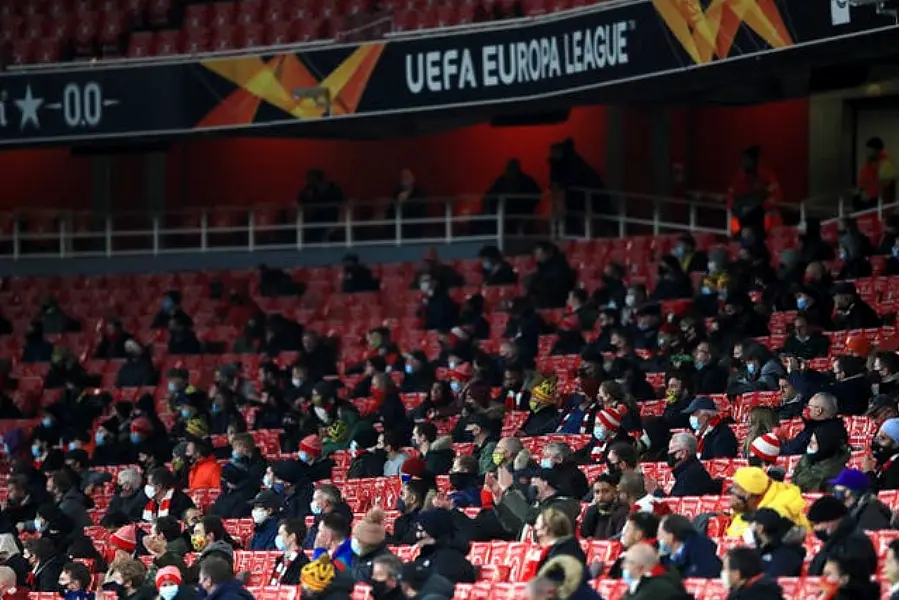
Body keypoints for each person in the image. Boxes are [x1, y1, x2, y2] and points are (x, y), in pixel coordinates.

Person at [805, 495, 877, 578]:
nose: (815, 528)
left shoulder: (855, 543)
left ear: (832, 520)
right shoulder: (836, 539)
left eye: (817, 524)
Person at [726, 467, 809, 538]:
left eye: (736, 488)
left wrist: (740, 511)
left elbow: (741, 537)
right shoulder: (768, 493)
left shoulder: (776, 512)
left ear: (750, 494)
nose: (732, 492)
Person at [742, 508, 805, 579]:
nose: (748, 528)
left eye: (750, 524)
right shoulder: (762, 550)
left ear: (760, 528)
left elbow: (773, 582)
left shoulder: (785, 555)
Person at [657, 514, 721, 579]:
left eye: (660, 534)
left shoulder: (701, 549)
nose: (658, 538)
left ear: (671, 536)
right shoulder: (671, 554)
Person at [828, 468, 893, 531]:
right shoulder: (854, 510)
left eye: (838, 486)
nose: (833, 491)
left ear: (848, 492)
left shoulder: (870, 516)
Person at [620, 542, 688, 600]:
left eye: (627, 562)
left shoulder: (653, 590)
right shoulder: (666, 578)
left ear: (640, 568)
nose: (623, 566)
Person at [268, 518, 308, 585]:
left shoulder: (303, 564)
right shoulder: (280, 561)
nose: (278, 537)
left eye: (281, 534)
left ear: (292, 537)